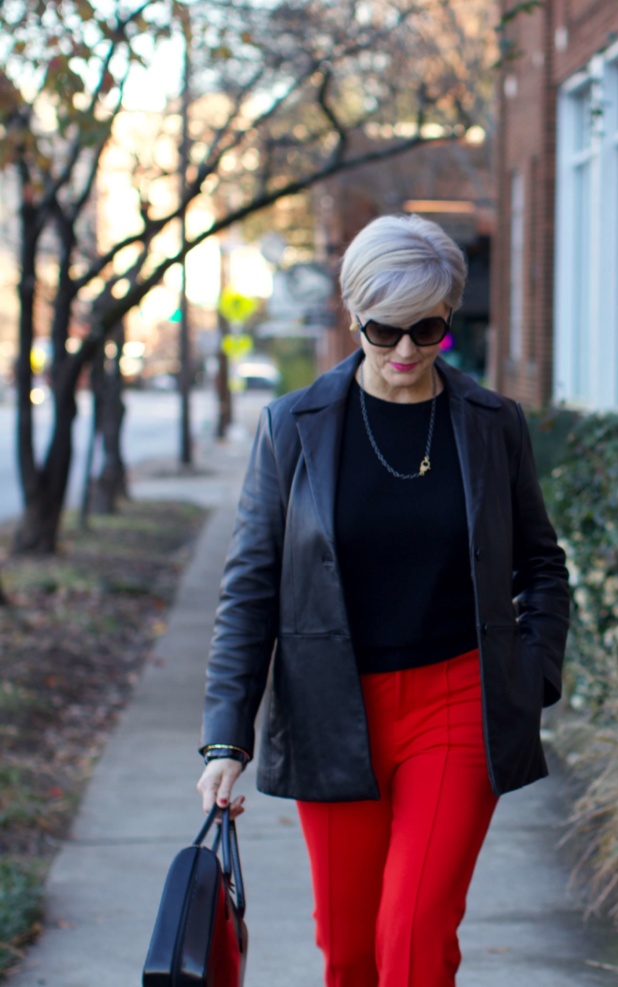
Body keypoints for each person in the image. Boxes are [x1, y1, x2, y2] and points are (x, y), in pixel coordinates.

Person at [194, 214, 570, 987]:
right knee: (350, 949)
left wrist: (530, 677)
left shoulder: (491, 425)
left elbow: (540, 563)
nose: (405, 351)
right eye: (384, 329)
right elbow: (251, 587)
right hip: (332, 710)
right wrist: (225, 737)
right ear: (353, 314)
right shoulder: (291, 427)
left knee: (413, 935)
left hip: (456, 703)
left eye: (428, 329)